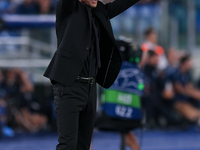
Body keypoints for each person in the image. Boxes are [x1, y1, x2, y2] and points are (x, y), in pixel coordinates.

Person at [43, 0, 140, 149]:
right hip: (69, 86)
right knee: (67, 145)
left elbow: (122, 3)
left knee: (84, 145)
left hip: (90, 88)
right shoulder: (67, 7)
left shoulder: (99, 11)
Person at [172, 55, 200, 124]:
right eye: (189, 62)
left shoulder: (187, 74)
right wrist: (195, 94)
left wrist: (196, 93)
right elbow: (181, 90)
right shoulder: (176, 74)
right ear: (183, 63)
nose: (191, 64)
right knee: (192, 114)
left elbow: (190, 88)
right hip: (178, 101)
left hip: (186, 101)